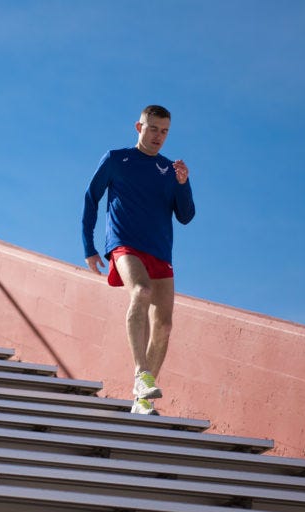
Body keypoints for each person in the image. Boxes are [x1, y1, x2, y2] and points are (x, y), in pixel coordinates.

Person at [81, 105, 195, 415]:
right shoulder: (117, 159)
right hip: (124, 244)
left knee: (165, 325)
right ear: (139, 127)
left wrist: (183, 185)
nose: (159, 136)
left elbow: (185, 216)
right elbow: (91, 198)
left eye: (165, 131)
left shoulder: (171, 170)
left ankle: (142, 399)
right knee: (140, 291)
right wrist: (88, 246)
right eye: (153, 128)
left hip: (160, 250)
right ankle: (141, 374)